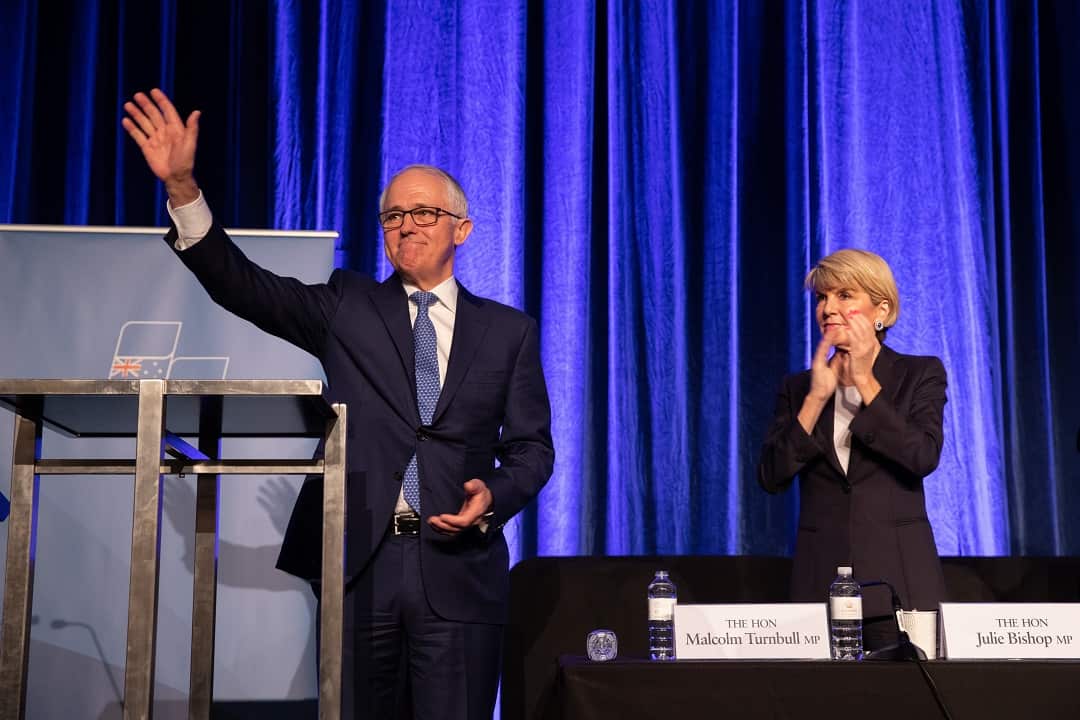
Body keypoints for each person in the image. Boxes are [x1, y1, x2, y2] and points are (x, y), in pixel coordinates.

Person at [122, 88, 554, 719]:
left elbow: (531, 448)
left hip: (460, 573)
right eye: (392, 215)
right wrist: (185, 189)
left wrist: (496, 496)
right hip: (362, 569)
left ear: (461, 228)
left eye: (423, 213)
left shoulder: (508, 330)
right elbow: (243, 286)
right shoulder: (347, 306)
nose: (405, 224)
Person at [757, 248, 947, 650]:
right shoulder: (798, 387)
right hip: (818, 587)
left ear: (882, 310)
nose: (828, 308)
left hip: (900, 588)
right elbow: (771, 476)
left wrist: (864, 380)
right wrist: (815, 400)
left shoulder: (919, 373)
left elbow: (922, 456)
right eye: (822, 298)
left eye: (844, 296)